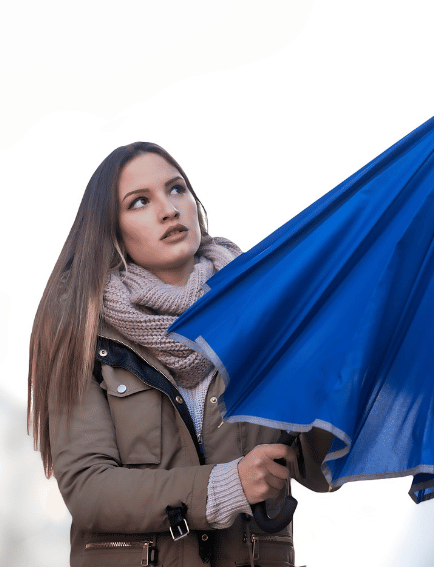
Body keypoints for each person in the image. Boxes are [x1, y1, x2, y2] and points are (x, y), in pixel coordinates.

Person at [28, 142, 332, 567]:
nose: (168, 210)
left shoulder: (266, 312)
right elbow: (88, 488)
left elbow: (320, 467)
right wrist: (226, 487)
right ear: (111, 232)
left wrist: (332, 355)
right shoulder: (79, 328)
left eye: (177, 189)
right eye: (139, 202)